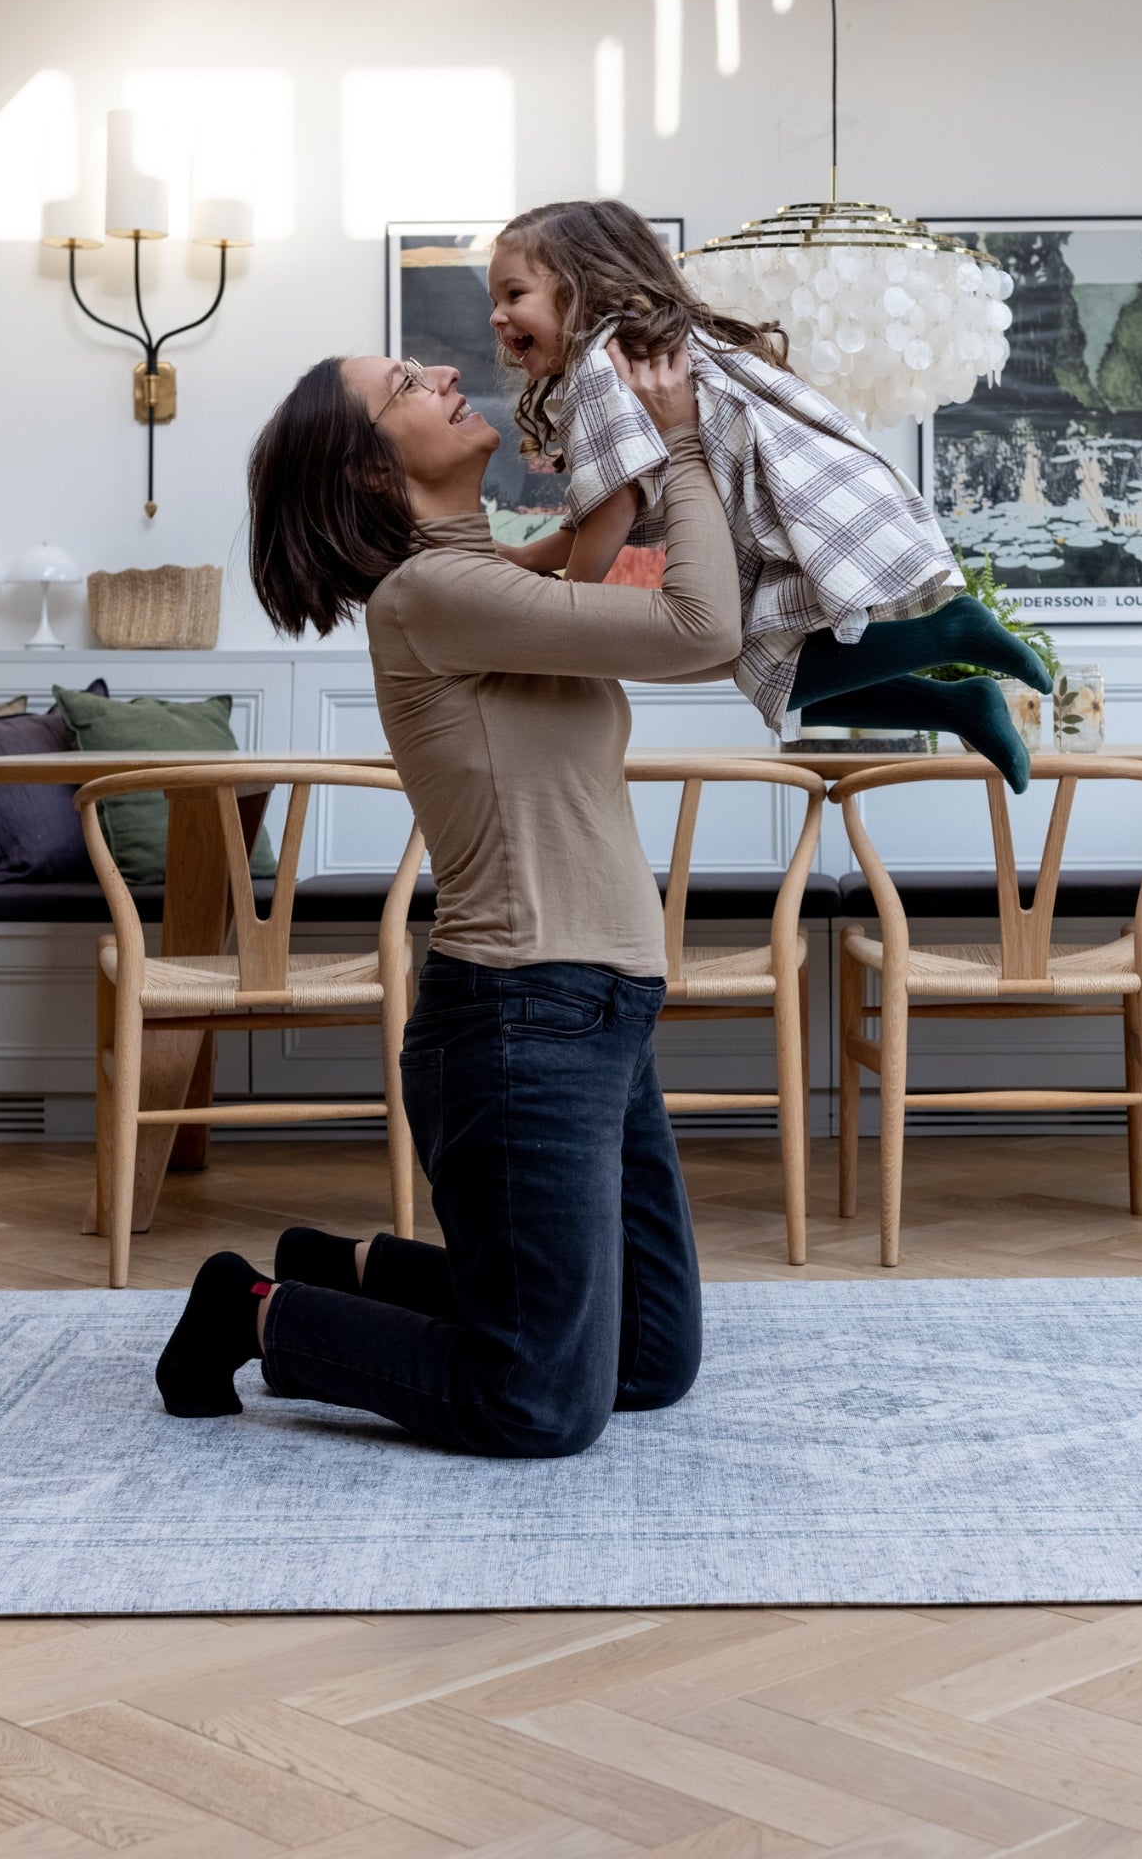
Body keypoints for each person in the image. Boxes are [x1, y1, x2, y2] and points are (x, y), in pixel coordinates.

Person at [153, 342, 741, 1458]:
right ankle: (253, 1308)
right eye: (405, 385)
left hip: (602, 1004)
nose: (441, 374)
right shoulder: (433, 594)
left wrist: (619, 445)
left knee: (650, 1358)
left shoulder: (488, 581)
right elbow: (700, 629)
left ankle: (338, 1268)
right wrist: (685, 440)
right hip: (521, 1016)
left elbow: (606, 561)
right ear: (372, 469)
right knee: (537, 1402)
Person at [488, 198, 1052, 789]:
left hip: (785, 510)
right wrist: (527, 557)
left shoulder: (604, 367)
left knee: (776, 670)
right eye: (494, 301)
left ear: (582, 284)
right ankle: (960, 704)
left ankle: (953, 632)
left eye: (514, 294)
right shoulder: (643, 345)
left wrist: (569, 607)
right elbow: (607, 505)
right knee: (777, 676)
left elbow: (614, 503)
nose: (498, 317)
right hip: (805, 495)